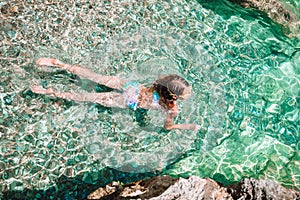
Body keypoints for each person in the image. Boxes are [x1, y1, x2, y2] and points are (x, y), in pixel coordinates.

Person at [31, 58, 199, 131]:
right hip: (127, 100)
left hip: (131, 86)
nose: (188, 94)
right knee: (87, 97)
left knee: (95, 77)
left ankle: (61, 64)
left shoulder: (162, 81)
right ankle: (50, 92)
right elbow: (167, 127)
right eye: (185, 93)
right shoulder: (172, 108)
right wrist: (188, 126)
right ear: (174, 97)